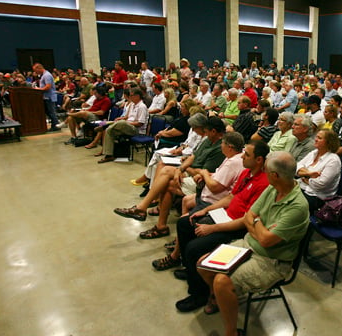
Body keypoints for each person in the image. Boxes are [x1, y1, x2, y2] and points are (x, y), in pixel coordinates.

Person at [197, 151, 310, 336]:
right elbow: (249, 216)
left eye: (266, 171)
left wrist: (256, 223)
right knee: (203, 264)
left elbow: (265, 239)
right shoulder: (273, 188)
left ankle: (231, 332)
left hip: (272, 261)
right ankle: (220, 298)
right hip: (248, 244)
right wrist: (259, 226)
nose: (264, 174)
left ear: (275, 175)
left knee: (221, 281)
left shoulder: (297, 206)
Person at [160, 141, 271, 312]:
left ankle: (199, 294)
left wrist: (212, 228)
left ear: (259, 160)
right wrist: (206, 210)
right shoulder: (246, 173)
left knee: (193, 247)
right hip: (224, 216)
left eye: (246, 154)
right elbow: (230, 198)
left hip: (236, 227)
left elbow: (246, 220)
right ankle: (191, 271)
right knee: (184, 223)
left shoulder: (264, 184)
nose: (242, 156)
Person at [113, 117, 228, 225]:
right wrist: (181, 169)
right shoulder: (209, 140)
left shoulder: (220, 148)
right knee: (165, 170)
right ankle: (148, 212)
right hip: (190, 169)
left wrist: (184, 167)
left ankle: (146, 210)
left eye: (206, 131)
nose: (205, 134)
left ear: (213, 131)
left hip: (200, 179)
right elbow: (193, 156)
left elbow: (202, 172)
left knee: (167, 176)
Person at [97, 87, 148, 163]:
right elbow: (127, 117)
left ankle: (104, 125)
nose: (130, 97)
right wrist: (121, 118)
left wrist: (126, 122)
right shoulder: (132, 105)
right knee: (109, 131)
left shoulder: (142, 107)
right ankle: (109, 155)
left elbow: (140, 123)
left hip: (136, 129)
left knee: (121, 123)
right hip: (126, 126)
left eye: (131, 95)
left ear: (137, 96)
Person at [296, 129, 342, 212]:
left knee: (290, 202)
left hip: (317, 197)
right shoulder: (314, 152)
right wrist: (309, 174)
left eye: (320, 138)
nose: (316, 139)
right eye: (316, 137)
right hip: (301, 187)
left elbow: (320, 185)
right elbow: (297, 167)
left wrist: (304, 176)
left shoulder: (333, 160)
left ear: (329, 142)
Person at [32, 63, 60, 132]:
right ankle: (55, 124)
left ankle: (56, 125)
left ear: (39, 68)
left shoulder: (47, 75)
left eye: (36, 70)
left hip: (49, 97)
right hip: (45, 97)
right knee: (48, 112)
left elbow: (48, 86)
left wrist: (39, 89)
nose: (35, 72)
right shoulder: (43, 75)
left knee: (51, 112)